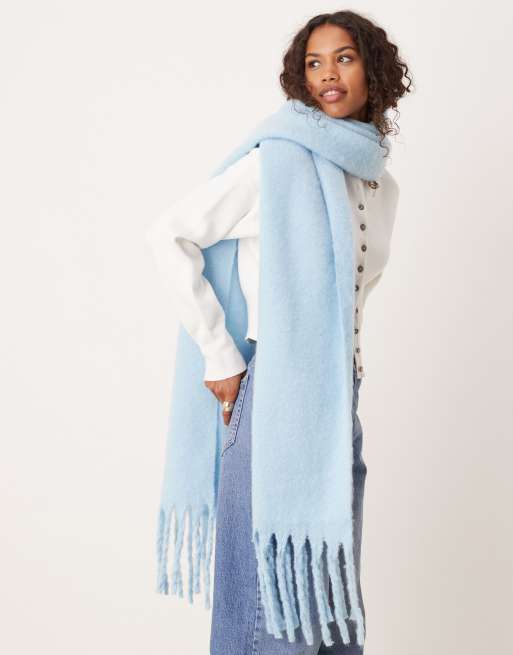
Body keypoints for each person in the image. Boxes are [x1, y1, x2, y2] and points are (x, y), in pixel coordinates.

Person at [146, 10, 411, 655]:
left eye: (344, 58)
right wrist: (220, 355)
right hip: (273, 404)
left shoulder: (381, 184)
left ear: (373, 71)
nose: (328, 74)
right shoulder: (278, 161)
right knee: (271, 606)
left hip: (337, 408)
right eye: (315, 62)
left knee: (326, 605)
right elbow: (170, 234)